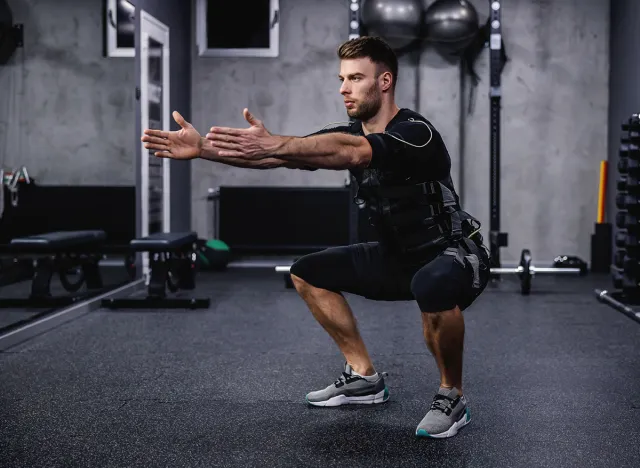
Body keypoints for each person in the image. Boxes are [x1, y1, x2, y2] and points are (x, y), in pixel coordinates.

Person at [141, 36, 490, 439]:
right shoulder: (346, 132)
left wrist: (283, 142)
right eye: (341, 78)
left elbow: (353, 153)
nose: (344, 87)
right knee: (307, 272)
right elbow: (278, 156)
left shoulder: (416, 133)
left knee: (431, 286)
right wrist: (204, 149)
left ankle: (452, 396)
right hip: (398, 257)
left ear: (385, 81)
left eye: (356, 77)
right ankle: (364, 377)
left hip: (452, 254)